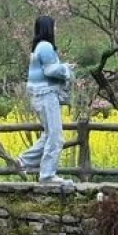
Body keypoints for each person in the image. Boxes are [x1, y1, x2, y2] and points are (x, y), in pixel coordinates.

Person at [18, 15, 73, 185]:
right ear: (48, 28)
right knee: (56, 137)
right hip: (46, 95)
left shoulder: (37, 47)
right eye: (54, 26)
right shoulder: (46, 46)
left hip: (39, 96)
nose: (55, 30)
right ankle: (47, 175)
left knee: (49, 135)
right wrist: (66, 69)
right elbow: (50, 71)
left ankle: (22, 162)